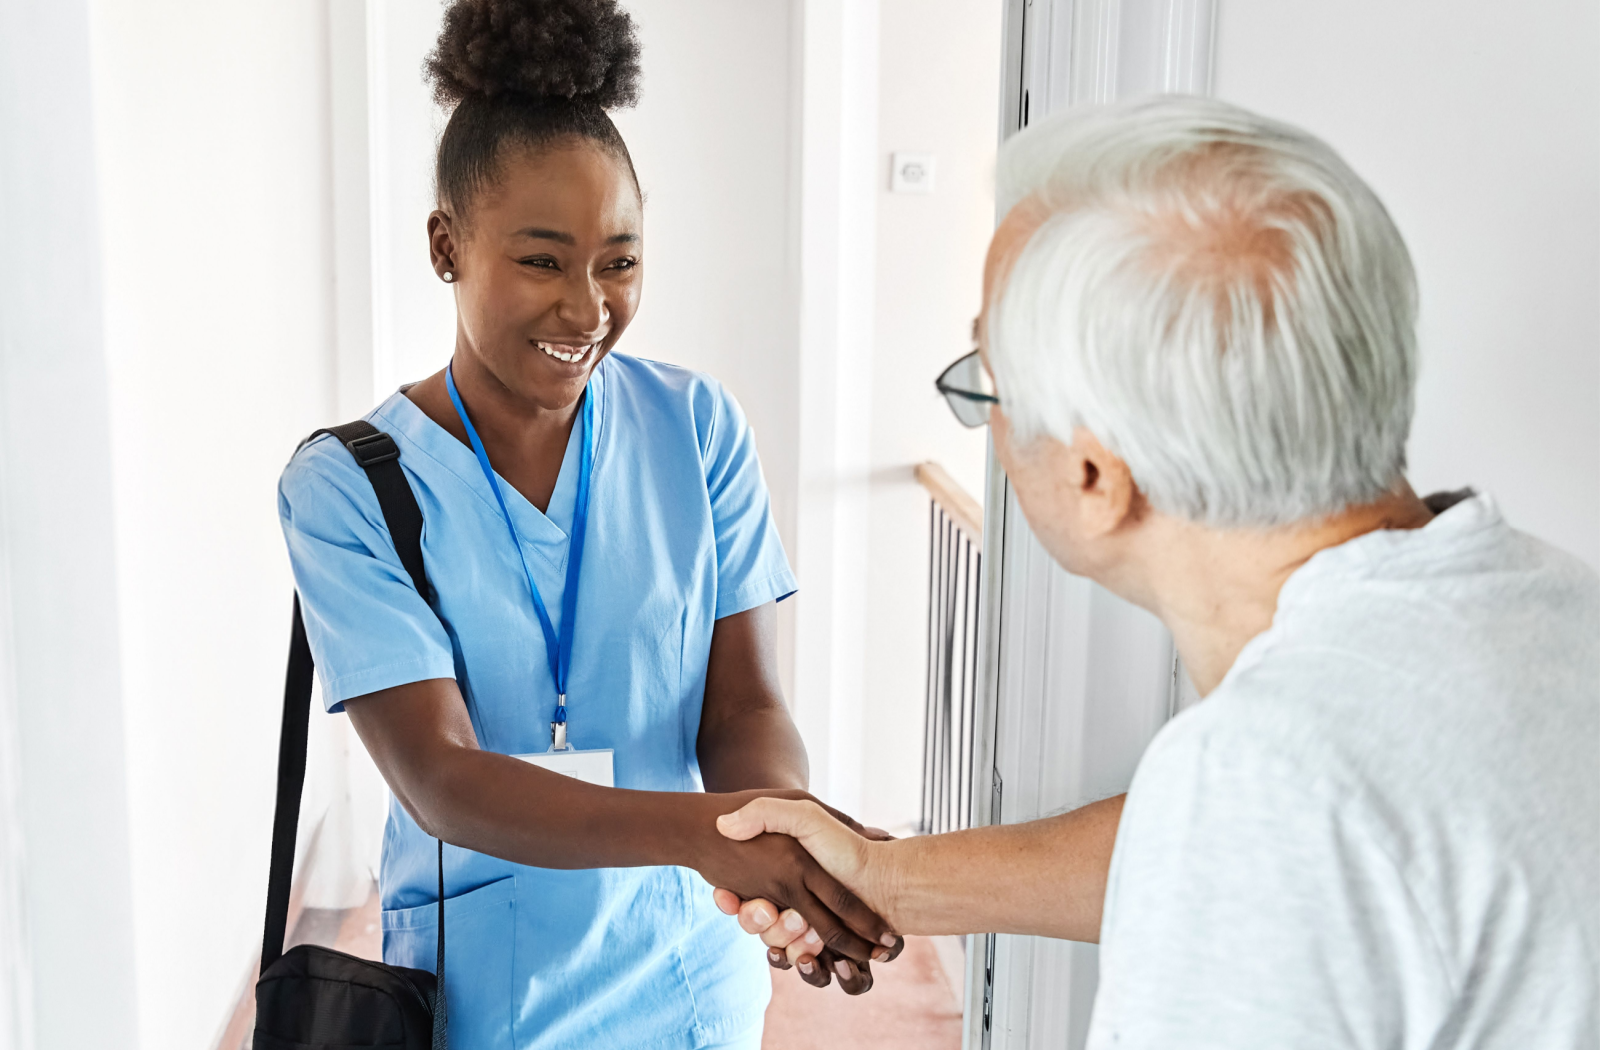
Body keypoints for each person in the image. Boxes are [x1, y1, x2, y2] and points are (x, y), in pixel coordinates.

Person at [714, 96, 1600, 1047]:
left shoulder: (1266, 775)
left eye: (991, 381)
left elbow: (1268, 825)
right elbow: (1271, 853)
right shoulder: (1547, 601)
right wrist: (884, 879)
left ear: (1096, 477)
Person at [278, 2, 898, 1047]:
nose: (587, 308)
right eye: (541, 260)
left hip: (690, 981)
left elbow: (741, 705)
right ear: (447, 245)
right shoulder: (346, 485)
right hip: (487, 1000)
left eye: (618, 261)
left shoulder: (696, 427)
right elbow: (442, 779)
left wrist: (781, 839)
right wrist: (713, 837)